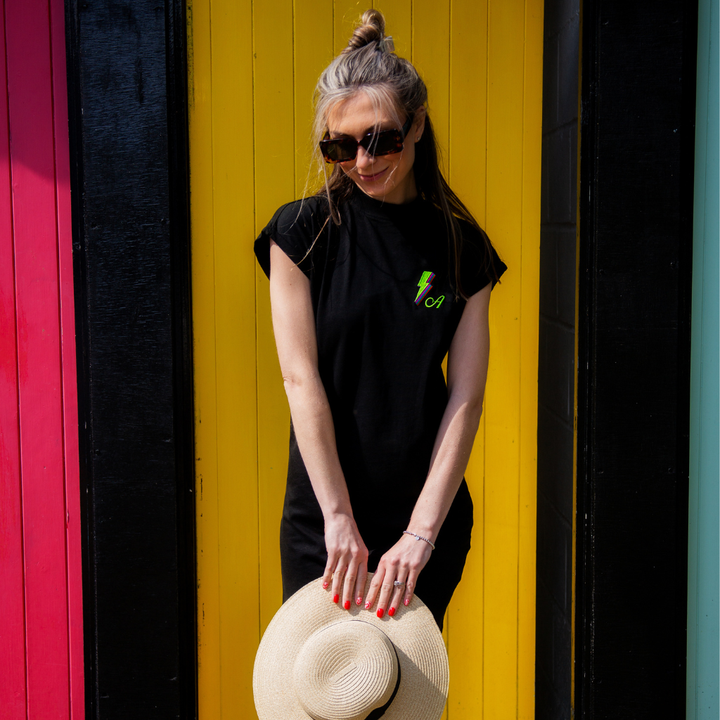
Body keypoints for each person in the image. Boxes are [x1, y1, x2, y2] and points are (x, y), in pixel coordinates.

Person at [254, 9, 506, 630]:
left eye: (381, 139)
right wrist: (338, 518)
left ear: (417, 125)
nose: (361, 161)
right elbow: (299, 380)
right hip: (325, 523)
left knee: (398, 695)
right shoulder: (303, 234)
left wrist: (422, 535)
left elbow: (465, 401)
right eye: (340, 146)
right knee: (322, 690)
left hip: (423, 528)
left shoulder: (462, 251)